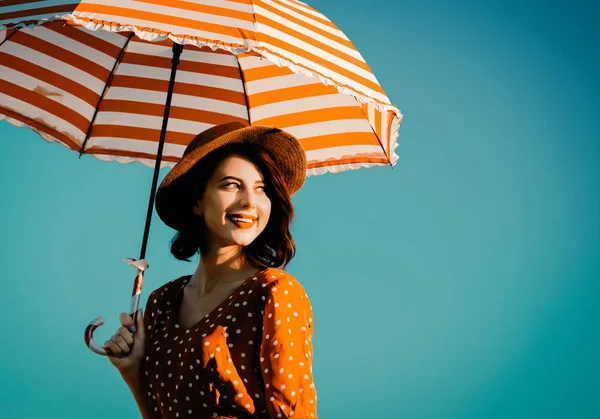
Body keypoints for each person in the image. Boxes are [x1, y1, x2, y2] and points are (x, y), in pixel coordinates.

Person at [103, 122, 317, 419]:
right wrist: (133, 372)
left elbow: (295, 414)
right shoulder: (162, 301)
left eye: (262, 189)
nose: (249, 202)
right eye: (231, 185)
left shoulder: (275, 292)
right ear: (196, 201)